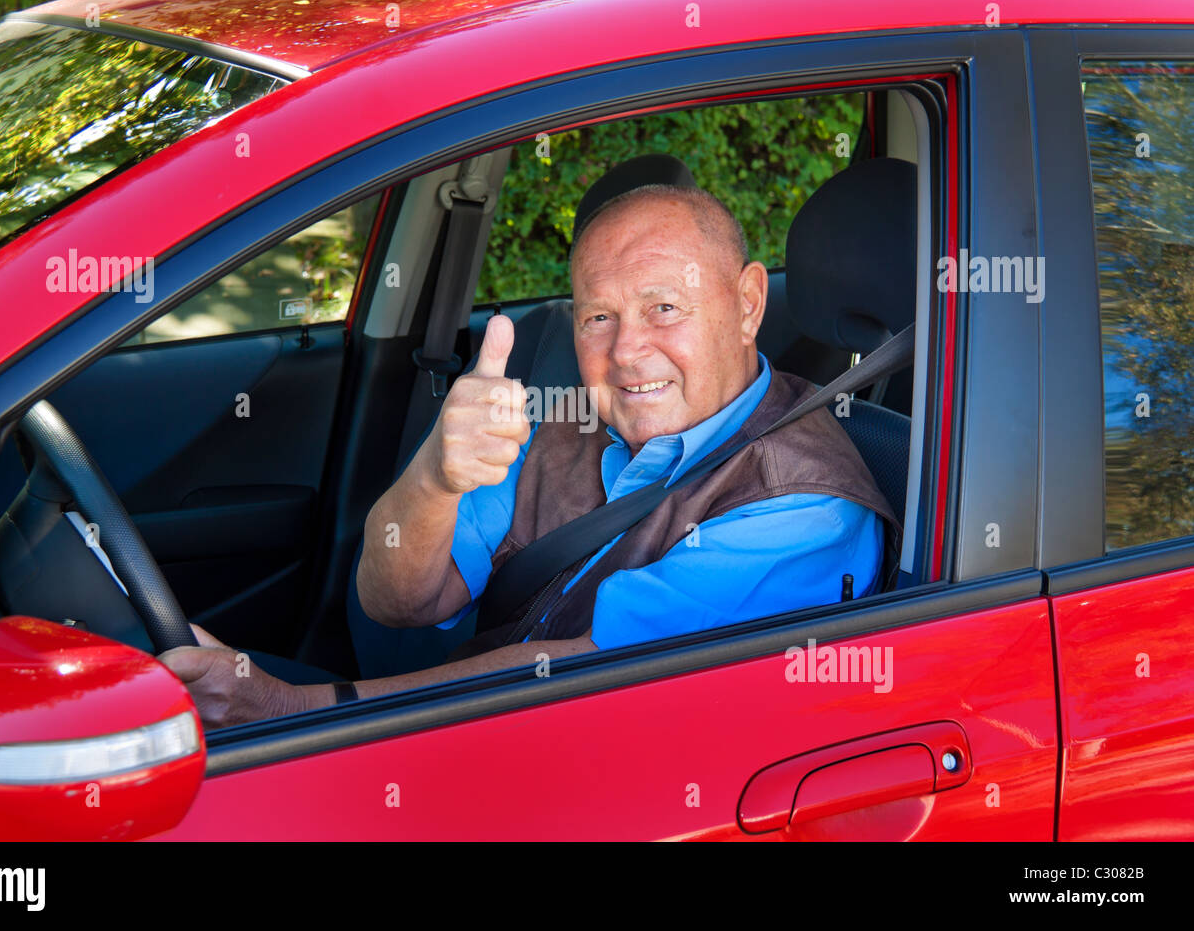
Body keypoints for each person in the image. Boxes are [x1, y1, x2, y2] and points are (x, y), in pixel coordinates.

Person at [161, 165, 898, 729]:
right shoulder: (564, 419)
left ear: (746, 306)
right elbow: (395, 603)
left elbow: (587, 679)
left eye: (664, 309)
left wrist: (294, 709)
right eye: (598, 317)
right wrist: (435, 480)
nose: (628, 351)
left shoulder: (806, 504)